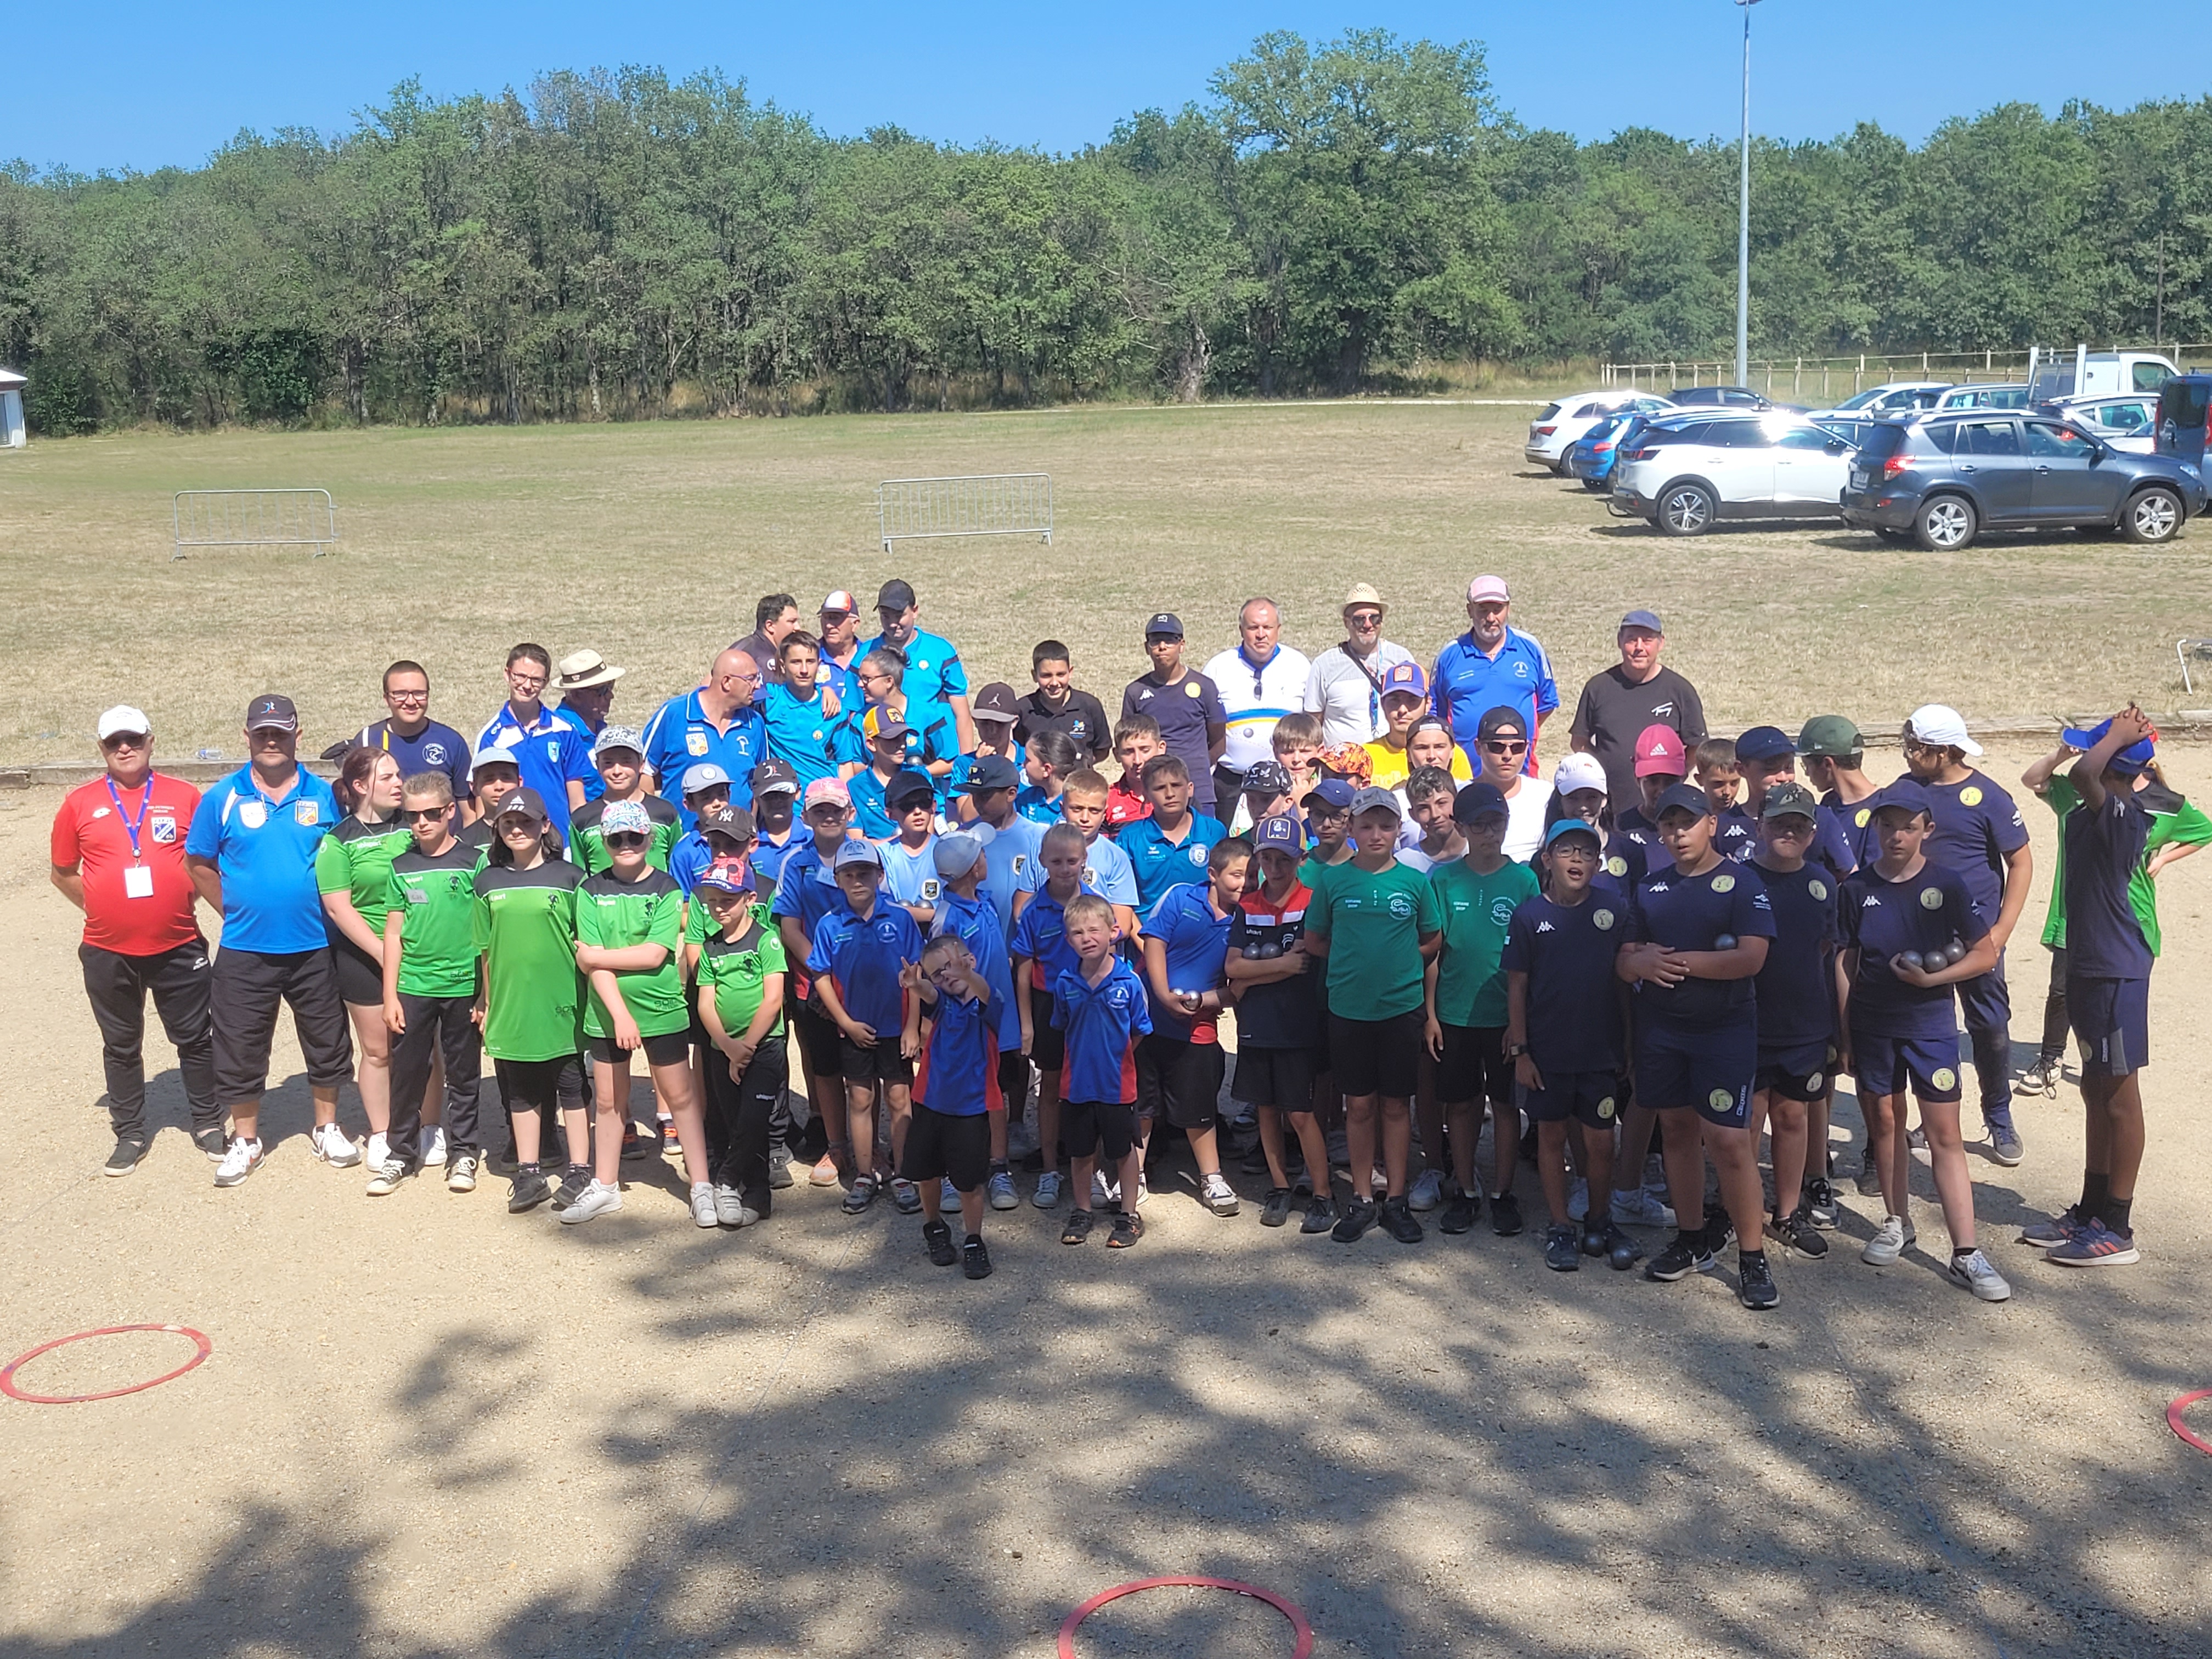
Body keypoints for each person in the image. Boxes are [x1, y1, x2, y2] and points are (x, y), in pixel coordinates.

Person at [1837, 778, 2010, 1301]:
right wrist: (1845, 1030)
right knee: (1885, 1124)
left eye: (1907, 827)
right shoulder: (1855, 889)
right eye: (1887, 826)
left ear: (1926, 831)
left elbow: (1985, 953)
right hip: (1872, 1025)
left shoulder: (1949, 885)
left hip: (1931, 1025)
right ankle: (1897, 1221)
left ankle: (1966, 1252)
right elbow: (1846, 961)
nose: (1896, 836)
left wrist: (1932, 982)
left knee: (1945, 1135)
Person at [1615, 781, 1780, 1310]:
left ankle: (1751, 1254)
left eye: (1688, 821)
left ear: (1711, 822)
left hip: (1724, 1031)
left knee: (1729, 1141)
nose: (1678, 832)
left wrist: (1673, 963)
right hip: (1662, 1030)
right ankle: (1691, 1240)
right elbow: (1626, 958)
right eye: (1668, 823)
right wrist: (1638, 964)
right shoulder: (1651, 888)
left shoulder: (1740, 881)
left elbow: (1751, 958)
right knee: (1677, 1131)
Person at [187, 695, 357, 1187]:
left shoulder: (325, 795)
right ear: (247, 736)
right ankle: (246, 1140)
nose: (271, 741)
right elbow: (198, 862)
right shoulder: (222, 797)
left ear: (297, 735)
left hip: (313, 944)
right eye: (262, 733)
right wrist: (234, 909)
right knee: (240, 1044)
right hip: (245, 947)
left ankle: (326, 1127)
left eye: (280, 732)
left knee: (326, 1041)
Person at [51, 704, 219, 1174]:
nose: (124, 748)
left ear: (150, 741)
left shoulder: (185, 796)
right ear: (101, 748)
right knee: (121, 1044)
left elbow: (208, 863)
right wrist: (102, 907)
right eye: (113, 742)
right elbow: (63, 872)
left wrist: (183, 899)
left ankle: (207, 1122)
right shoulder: (79, 803)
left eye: (133, 739)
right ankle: (130, 1130)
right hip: (107, 949)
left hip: (178, 942)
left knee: (196, 1038)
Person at [2023, 712, 2162, 1267]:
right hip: (2085, 967)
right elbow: (2070, 778)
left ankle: (2118, 1227)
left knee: (2120, 1097)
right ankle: (2090, 1210)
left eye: (2100, 750)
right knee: (2094, 1091)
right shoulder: (2089, 811)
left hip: (2117, 971)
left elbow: (2086, 774)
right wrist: (2114, 741)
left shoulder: (2126, 813)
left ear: (2116, 764)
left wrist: (2120, 740)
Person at [2018, 729, 2209, 1098]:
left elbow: (2205, 830)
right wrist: (2060, 754)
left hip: (2127, 928)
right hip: (2076, 917)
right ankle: (2052, 1058)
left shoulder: (2158, 804)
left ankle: (2103, 1069)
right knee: (2063, 993)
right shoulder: (2077, 794)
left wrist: (2165, 858)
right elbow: (2034, 780)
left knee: (2117, 1071)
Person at [1303, 787, 1444, 1246]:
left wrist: (1399, 966)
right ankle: (1362, 1198)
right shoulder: (1333, 881)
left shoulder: (1415, 882)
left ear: (1398, 829)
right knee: (1359, 1105)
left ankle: (1397, 1198)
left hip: (1401, 1009)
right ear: (1352, 828)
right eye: (1367, 825)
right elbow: (1317, 941)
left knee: (1397, 1105)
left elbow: (1431, 940)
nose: (1377, 833)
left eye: (1386, 825)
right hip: (1348, 1008)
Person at [1901, 703, 2032, 1166]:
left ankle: (1998, 1114)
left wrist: (2001, 931)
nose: (1908, 754)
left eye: (1915, 747)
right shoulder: (1905, 791)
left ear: (1941, 752)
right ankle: (1934, 1114)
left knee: (1990, 1028)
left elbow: (2020, 862)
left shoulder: (1989, 797)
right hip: (1919, 933)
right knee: (1927, 1029)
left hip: (1978, 938)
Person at [1503, 819, 1638, 1271]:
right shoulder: (1529, 917)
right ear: (1547, 860)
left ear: (1598, 863)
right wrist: (1521, 1052)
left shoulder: (1614, 908)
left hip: (1599, 1050)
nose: (1577, 859)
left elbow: (1624, 983)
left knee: (1601, 1142)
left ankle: (1600, 1219)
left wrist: (1629, 1041)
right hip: (1546, 1053)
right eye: (1567, 851)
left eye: (1586, 852)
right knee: (1551, 1136)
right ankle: (1561, 1225)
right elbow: (1517, 988)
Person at [571, 799, 713, 1227]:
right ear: (605, 842)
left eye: (635, 836)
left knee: (682, 1098)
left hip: (661, 1008)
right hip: (608, 1013)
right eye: (617, 838)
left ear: (651, 839)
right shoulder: (590, 890)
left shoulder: (668, 889)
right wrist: (620, 1015)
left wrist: (600, 955)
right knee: (610, 1102)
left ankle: (701, 1185)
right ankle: (606, 1185)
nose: (627, 844)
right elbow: (589, 966)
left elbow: (653, 955)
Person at [1424, 780, 1540, 1234]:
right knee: (1462, 1104)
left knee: (1507, 1104)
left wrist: (1522, 1023)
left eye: (1497, 824)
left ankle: (1504, 1192)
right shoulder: (1446, 878)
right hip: (1455, 1013)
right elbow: (1434, 953)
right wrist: (1431, 1015)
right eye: (1480, 825)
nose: (1490, 834)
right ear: (1463, 827)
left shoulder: (1523, 879)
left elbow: (1532, 962)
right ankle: (1467, 1188)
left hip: (1505, 1018)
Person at [471, 788, 588, 1215]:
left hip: (562, 1001)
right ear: (498, 830)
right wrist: (485, 1000)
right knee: (520, 1092)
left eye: (526, 822)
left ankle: (579, 1169)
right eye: (508, 824)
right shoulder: (486, 882)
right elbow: (483, 950)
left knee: (572, 1087)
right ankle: (530, 1171)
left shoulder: (570, 878)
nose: (517, 830)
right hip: (511, 1004)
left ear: (545, 826)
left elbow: (585, 941)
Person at [1224, 815, 1334, 1231]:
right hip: (1257, 1022)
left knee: (1301, 1113)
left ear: (1300, 859)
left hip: (1298, 1023)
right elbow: (1234, 969)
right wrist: (1283, 964)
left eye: (1284, 858)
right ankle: (1279, 1186)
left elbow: (1307, 964)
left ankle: (1322, 1193)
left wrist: (1261, 974)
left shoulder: (1311, 901)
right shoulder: (1248, 906)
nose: (1275, 865)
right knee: (1266, 1110)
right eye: (1267, 857)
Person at [1747, 782, 1842, 1260]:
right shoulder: (1739, 878)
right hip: (1747, 1022)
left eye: (1799, 825)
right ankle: (1737, 1211)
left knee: (1791, 1117)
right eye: (1779, 823)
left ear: (1812, 833)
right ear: (1761, 826)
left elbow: (1827, 949)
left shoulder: (1822, 882)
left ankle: (1786, 1212)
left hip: (1804, 1022)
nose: (1789, 832)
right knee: (1747, 1120)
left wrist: (1836, 1028)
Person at [380, 772, 486, 1195]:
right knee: (407, 1073)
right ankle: (400, 1154)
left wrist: (484, 992)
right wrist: (390, 994)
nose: (421, 823)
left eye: (430, 814)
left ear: (449, 813)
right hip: (414, 985)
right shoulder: (401, 867)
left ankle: (463, 1153)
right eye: (412, 815)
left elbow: (487, 931)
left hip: (462, 984)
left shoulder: (475, 862)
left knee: (464, 1074)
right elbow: (392, 932)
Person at [809, 840, 925, 1215]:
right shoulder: (830, 925)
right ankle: (864, 1173)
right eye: (849, 875)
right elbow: (821, 976)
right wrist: (844, 1022)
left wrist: (912, 1026)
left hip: (895, 1026)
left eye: (865, 873)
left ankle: (904, 1172)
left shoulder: (901, 919)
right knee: (860, 1098)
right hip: (855, 1027)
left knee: (898, 1097)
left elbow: (916, 975)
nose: (858, 881)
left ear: (880, 875)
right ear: (838, 880)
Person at [1139, 838, 1251, 1217]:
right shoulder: (1179, 898)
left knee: (1199, 1107)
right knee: (1143, 1105)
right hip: (1148, 1022)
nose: (1242, 883)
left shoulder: (1247, 920)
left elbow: (1238, 991)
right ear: (1214, 874)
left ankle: (1211, 1176)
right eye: (1236, 874)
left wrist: (1201, 1003)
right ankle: (1132, 1175)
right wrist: (1163, 995)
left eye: (1249, 876)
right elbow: (1154, 943)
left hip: (1198, 1028)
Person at [317, 746, 416, 1171]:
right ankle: (382, 1132)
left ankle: (427, 1126)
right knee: (378, 1051)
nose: (399, 784)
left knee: (423, 1046)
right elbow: (340, 908)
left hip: (421, 952)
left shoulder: (416, 826)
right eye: (389, 777)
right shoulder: (339, 841)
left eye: (399, 776)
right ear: (361, 786)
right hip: (365, 956)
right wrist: (383, 954)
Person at [928, 831, 1024, 1211]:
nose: (987, 857)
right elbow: (939, 976)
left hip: (998, 1020)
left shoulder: (984, 902)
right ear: (972, 868)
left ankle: (998, 1169)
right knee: (959, 1099)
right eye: (982, 854)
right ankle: (954, 1176)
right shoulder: (947, 918)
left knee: (996, 1093)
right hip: (967, 1028)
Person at [1051, 893, 1153, 1250]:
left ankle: (1128, 1214)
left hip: (1117, 1085)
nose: (1087, 938)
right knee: (1081, 1152)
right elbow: (1062, 1025)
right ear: (1068, 940)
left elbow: (1140, 1030)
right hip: (1077, 1084)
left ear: (1114, 932)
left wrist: (1117, 1055)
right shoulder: (1065, 984)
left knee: (1123, 1151)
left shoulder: (1129, 982)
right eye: (1077, 933)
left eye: (1094, 930)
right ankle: (1082, 1211)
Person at [772, 779, 861, 1186]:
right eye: (820, 810)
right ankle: (837, 1144)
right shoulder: (796, 863)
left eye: (836, 810)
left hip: (863, 984)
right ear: (805, 816)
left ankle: (869, 1143)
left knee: (866, 1068)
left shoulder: (867, 858)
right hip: (814, 984)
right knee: (825, 1066)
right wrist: (824, 974)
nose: (829, 817)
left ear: (851, 813)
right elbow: (790, 928)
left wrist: (849, 978)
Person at [695, 857, 788, 1229]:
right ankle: (758, 1195)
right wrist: (727, 1046)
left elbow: (773, 999)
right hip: (723, 1051)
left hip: (764, 1048)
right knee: (736, 1122)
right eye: (713, 900)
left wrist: (746, 1047)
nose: (720, 908)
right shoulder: (710, 948)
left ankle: (727, 1182)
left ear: (749, 899)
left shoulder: (766, 939)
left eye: (728, 900)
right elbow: (705, 1002)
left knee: (755, 1118)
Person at [900, 935, 1000, 1279]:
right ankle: (935, 1227)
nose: (947, 977)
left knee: (969, 1183)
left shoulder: (986, 1001)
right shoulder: (940, 1000)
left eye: (952, 966)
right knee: (927, 1174)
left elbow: (987, 993)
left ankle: (974, 1239)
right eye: (938, 973)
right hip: (930, 1102)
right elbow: (930, 996)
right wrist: (918, 985)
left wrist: (968, 976)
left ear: (970, 959)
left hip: (971, 1108)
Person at [1012, 823, 1095, 1209]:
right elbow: (1024, 968)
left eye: (1072, 861)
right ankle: (1049, 1169)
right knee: (1051, 1085)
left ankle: (1091, 1170)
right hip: (1048, 1006)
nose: (1065, 869)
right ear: (1043, 862)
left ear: (1085, 861)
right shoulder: (1033, 911)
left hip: (1090, 1006)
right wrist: (1026, 1023)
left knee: (1090, 1088)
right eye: (1057, 861)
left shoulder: (1096, 907)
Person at [1568, 611, 1708, 805]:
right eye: (1632, 640)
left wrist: (1674, 777)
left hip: (1664, 805)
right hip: (1612, 804)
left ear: (1661, 643)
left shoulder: (1679, 690)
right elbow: (1579, 742)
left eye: (1648, 640)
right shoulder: (1598, 687)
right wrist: (1602, 773)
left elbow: (1697, 744)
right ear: (1619, 641)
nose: (1639, 648)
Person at [1432, 576, 1558, 777]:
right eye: (1483, 609)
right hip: (1464, 778)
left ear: (1508, 609)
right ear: (1469, 610)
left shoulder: (1531, 648)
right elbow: (1437, 715)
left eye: (1497, 609)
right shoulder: (1449, 655)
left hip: (1521, 775)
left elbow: (1545, 705)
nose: (1491, 618)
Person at [473, 644, 595, 840]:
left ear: (546, 682)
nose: (527, 685)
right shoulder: (491, 736)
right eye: (520, 676)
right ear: (507, 674)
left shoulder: (563, 730)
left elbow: (577, 800)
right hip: (512, 842)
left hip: (560, 843)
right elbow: (483, 801)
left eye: (536, 679)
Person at [642, 647, 766, 829]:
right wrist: (655, 828)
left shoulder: (754, 723)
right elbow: (645, 772)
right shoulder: (675, 714)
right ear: (727, 682)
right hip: (684, 841)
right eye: (751, 679)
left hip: (736, 842)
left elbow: (759, 784)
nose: (758, 685)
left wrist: (750, 827)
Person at [1204, 597, 1312, 806]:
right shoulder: (1218, 667)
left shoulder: (1299, 665)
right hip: (1230, 784)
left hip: (1285, 782)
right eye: (1253, 627)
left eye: (1267, 627)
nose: (1261, 634)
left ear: (1278, 629)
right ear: (1241, 629)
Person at [1121, 613, 1228, 816]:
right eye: (1155, 641)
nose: (1162, 647)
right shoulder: (1136, 691)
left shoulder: (1204, 687)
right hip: (1152, 791)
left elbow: (1219, 742)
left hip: (1198, 789)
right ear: (1147, 648)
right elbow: (1128, 742)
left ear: (1182, 645)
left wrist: (1196, 765)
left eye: (1170, 640)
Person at [864, 579, 975, 753]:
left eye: (900, 615)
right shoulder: (866, 655)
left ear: (915, 611)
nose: (893, 623)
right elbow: (854, 710)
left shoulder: (940, 652)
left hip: (936, 753)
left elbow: (961, 714)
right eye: (886, 616)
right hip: (883, 753)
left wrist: (965, 762)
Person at [348, 661, 473, 813]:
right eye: (400, 694)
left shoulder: (451, 742)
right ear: (386, 699)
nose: (411, 702)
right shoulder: (368, 739)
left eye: (419, 693)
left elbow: (468, 811)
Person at [1304, 583, 1418, 745]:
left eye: (1374, 618)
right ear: (1346, 623)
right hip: (1342, 765)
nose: (1368, 625)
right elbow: (1313, 721)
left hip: (1391, 761)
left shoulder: (1401, 658)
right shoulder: (1325, 664)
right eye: (1359, 620)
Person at [1119, 754, 1228, 916]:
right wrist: (1144, 941)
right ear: (1147, 795)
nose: (1170, 794)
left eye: (1176, 785)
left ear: (1190, 789)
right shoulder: (1130, 838)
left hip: (1205, 932)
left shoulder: (1214, 831)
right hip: (1146, 933)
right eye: (1160, 788)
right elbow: (1123, 903)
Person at [570, 727, 681, 873]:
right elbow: (580, 875)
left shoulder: (665, 813)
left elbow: (677, 868)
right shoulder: (582, 819)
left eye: (626, 761)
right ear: (598, 766)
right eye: (608, 763)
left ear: (641, 764)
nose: (617, 771)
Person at [761, 632, 860, 791]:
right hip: (787, 805)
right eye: (796, 662)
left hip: (826, 800)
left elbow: (844, 764)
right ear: (782, 664)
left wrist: (846, 802)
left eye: (810, 662)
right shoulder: (769, 699)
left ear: (819, 664)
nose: (804, 670)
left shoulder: (832, 708)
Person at [1052, 770, 1141, 940]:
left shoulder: (1116, 857)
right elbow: (1023, 908)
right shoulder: (1042, 847)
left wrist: (1088, 942)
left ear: (1105, 812)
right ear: (1063, 808)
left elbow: (1122, 922)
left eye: (1094, 811)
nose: (1085, 818)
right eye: (1077, 809)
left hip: (1100, 954)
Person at [856, 653, 960, 796]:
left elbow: (952, 761)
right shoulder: (860, 720)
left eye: (867, 679)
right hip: (876, 801)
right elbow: (857, 765)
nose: (860, 684)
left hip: (924, 800)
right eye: (860, 678)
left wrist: (919, 773)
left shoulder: (929, 715)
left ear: (889, 681)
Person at [1799, 714, 1883, 871]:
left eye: (1807, 766)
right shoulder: (1829, 802)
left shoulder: (1883, 808)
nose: (1807, 774)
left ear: (1827, 764)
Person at [1470, 707, 1554, 861]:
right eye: (1497, 747)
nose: (1507, 755)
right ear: (1478, 747)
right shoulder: (1460, 795)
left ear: (1527, 747)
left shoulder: (1545, 795)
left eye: (1517, 747)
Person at [1364, 664, 1462, 792]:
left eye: (1412, 700)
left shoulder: (1449, 753)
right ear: (1383, 704)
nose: (1402, 710)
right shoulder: (1365, 756)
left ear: (1428, 704)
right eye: (1394, 700)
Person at [549, 650, 626, 800]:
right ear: (576, 696)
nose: (611, 695)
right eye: (603, 691)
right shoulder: (558, 734)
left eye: (611, 686)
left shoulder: (599, 727)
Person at [1017, 640, 1112, 760]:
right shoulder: (1023, 709)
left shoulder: (1090, 706)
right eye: (1046, 676)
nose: (1054, 683)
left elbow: (1102, 750)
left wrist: (1083, 765)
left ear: (1070, 672)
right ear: (1035, 676)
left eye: (1061, 675)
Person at [947, 682, 1027, 812]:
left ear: (1014, 722)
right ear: (975, 722)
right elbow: (966, 816)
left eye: (1000, 724)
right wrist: (980, 771)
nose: (993, 730)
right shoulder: (965, 764)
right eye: (985, 723)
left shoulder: (1028, 760)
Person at [878, 769, 943, 926]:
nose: (918, 811)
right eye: (907, 806)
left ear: (934, 806)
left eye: (924, 802)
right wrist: (934, 915)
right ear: (890, 814)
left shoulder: (947, 851)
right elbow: (880, 908)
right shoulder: (882, 855)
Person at [1013, 730, 1083, 826]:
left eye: (1027, 760)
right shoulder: (1025, 800)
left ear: (1046, 769)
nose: (1023, 765)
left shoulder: (1076, 805)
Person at [1105, 715, 1162, 832]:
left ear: (1161, 749)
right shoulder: (1106, 799)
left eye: (1145, 750)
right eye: (1129, 752)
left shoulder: (1175, 795)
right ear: (1117, 755)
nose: (1138, 760)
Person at [815, 590, 865, 709]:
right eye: (825, 618)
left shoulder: (868, 656)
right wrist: (819, 691)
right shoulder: (810, 656)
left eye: (835, 618)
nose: (828, 625)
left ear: (855, 624)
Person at [732, 593, 802, 674]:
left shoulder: (742, 646)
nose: (798, 628)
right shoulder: (766, 662)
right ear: (770, 626)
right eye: (792, 622)